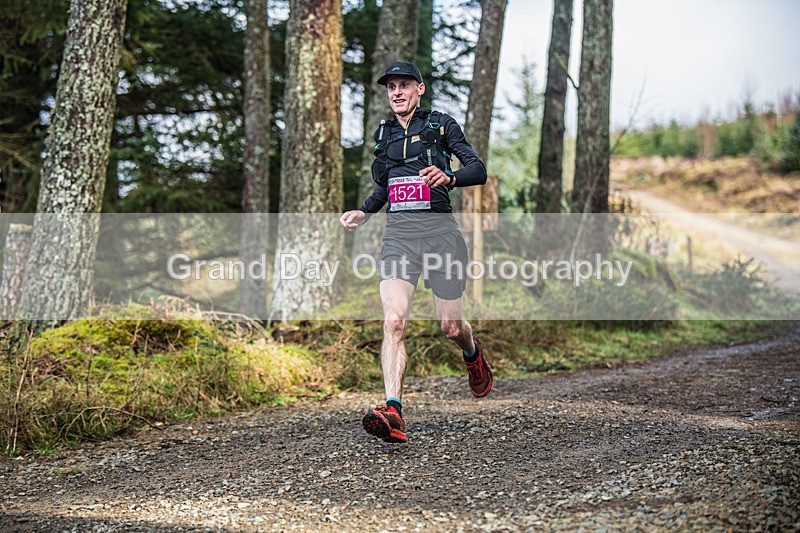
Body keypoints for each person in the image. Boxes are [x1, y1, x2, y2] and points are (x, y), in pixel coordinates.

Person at [339, 61, 493, 443]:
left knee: (451, 327)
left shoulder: (441, 125)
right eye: (391, 86)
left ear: (419, 89)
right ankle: (393, 410)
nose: (397, 92)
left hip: (441, 237)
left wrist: (450, 177)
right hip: (400, 239)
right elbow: (386, 185)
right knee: (393, 321)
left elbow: (478, 169)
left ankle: (472, 353)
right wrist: (365, 211)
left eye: (404, 85)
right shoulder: (385, 133)